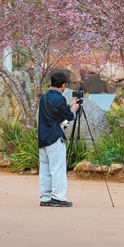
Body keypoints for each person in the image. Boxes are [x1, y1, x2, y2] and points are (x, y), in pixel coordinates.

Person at [37, 70, 80, 207]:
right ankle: (58, 198)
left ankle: (45, 197)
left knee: (45, 170)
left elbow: (54, 110)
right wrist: (74, 109)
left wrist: (68, 106)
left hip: (43, 139)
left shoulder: (44, 97)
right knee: (58, 169)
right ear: (63, 85)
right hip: (55, 138)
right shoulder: (59, 98)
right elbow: (70, 117)